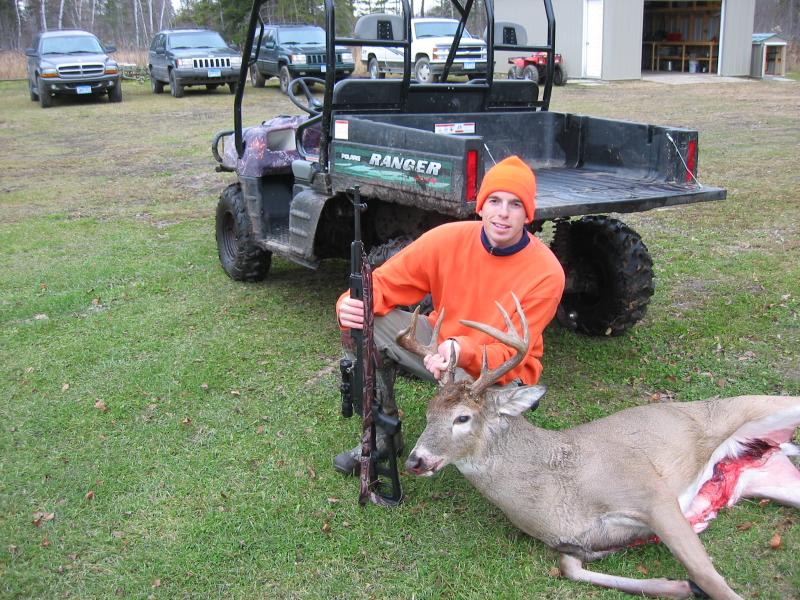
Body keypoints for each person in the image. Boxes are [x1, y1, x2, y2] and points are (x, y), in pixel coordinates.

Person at [334, 155, 566, 474]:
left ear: (528, 214)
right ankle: (384, 432)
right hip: (442, 351)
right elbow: (385, 282)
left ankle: (483, 446)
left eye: (515, 204)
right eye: (494, 200)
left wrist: (462, 350)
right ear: (480, 206)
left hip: (497, 371)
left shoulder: (546, 273)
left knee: (486, 434)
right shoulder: (448, 240)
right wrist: (352, 301)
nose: (502, 213)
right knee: (367, 323)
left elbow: (512, 351)